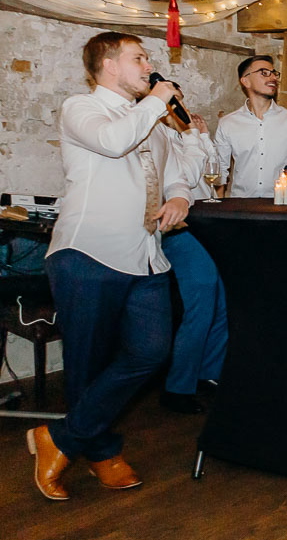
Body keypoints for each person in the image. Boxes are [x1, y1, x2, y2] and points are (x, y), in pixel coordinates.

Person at [27, 32, 191, 500]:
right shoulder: (82, 108)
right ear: (109, 64)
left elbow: (175, 172)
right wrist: (156, 101)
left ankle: (59, 438)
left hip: (146, 254)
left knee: (152, 351)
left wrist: (180, 196)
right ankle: (100, 451)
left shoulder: (152, 120)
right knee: (88, 363)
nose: (149, 66)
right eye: (139, 58)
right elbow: (114, 142)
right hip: (88, 253)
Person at [158, 91, 228, 414]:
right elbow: (183, 179)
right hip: (179, 231)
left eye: (181, 101)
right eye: (173, 103)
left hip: (207, 226)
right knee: (201, 300)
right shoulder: (157, 139)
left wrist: (203, 137)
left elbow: (217, 175)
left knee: (222, 298)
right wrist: (193, 137)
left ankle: (208, 373)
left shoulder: (186, 137)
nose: (180, 108)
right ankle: (177, 387)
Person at [213, 55, 287, 198]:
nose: (273, 78)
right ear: (245, 81)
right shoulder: (228, 123)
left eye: (274, 73)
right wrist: (218, 205)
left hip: (281, 204)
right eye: (264, 73)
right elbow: (220, 169)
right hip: (241, 204)